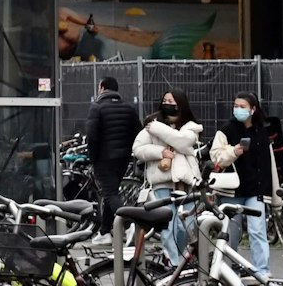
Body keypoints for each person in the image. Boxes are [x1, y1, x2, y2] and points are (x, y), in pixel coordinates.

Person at [212, 91, 283, 278]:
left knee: (258, 230)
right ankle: (229, 270)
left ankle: (261, 271)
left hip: (257, 190)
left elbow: (268, 163)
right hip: (232, 190)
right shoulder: (226, 130)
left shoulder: (261, 132)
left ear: (253, 109)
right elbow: (216, 157)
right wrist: (234, 152)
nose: (238, 109)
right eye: (236, 106)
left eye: (242, 106)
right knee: (232, 233)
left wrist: (274, 193)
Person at [131, 88, 201, 267]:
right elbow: (138, 149)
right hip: (161, 182)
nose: (168, 105)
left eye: (172, 102)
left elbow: (183, 141)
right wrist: (159, 152)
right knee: (167, 226)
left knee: (186, 225)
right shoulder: (151, 125)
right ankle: (174, 263)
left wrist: (157, 128)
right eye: (165, 101)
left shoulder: (190, 127)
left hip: (186, 183)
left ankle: (178, 256)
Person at [84, 76, 141, 236]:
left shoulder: (97, 107)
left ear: (102, 87)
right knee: (112, 192)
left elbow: (92, 135)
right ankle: (104, 232)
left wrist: (92, 157)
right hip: (123, 159)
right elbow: (138, 132)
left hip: (104, 158)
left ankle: (130, 225)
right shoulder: (128, 108)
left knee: (109, 193)